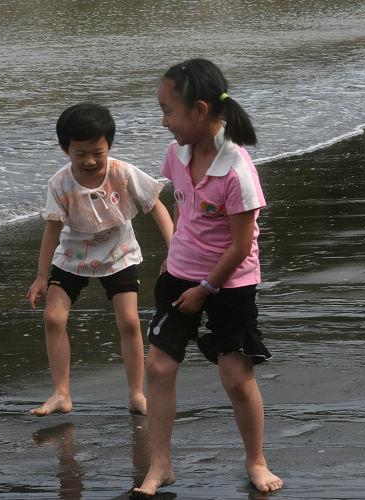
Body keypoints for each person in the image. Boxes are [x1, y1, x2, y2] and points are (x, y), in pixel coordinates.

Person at [131, 59, 283, 497]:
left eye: (168, 111)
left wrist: (206, 288)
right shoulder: (178, 153)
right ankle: (161, 465)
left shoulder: (237, 171)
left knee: (236, 377)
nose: (164, 121)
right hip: (180, 275)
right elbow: (184, 204)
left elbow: (240, 246)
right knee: (158, 366)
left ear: (199, 111)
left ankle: (256, 460)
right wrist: (175, 250)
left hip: (229, 283)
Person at [27, 103, 173, 417]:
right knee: (53, 318)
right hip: (72, 256)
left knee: (130, 321)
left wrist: (174, 250)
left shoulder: (123, 171)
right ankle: (61, 394)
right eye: (80, 154)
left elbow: (156, 206)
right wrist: (41, 277)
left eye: (98, 152)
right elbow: (52, 231)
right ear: (64, 148)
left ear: (109, 145)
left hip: (118, 254)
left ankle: (136, 393)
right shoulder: (60, 183)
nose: (90, 161)